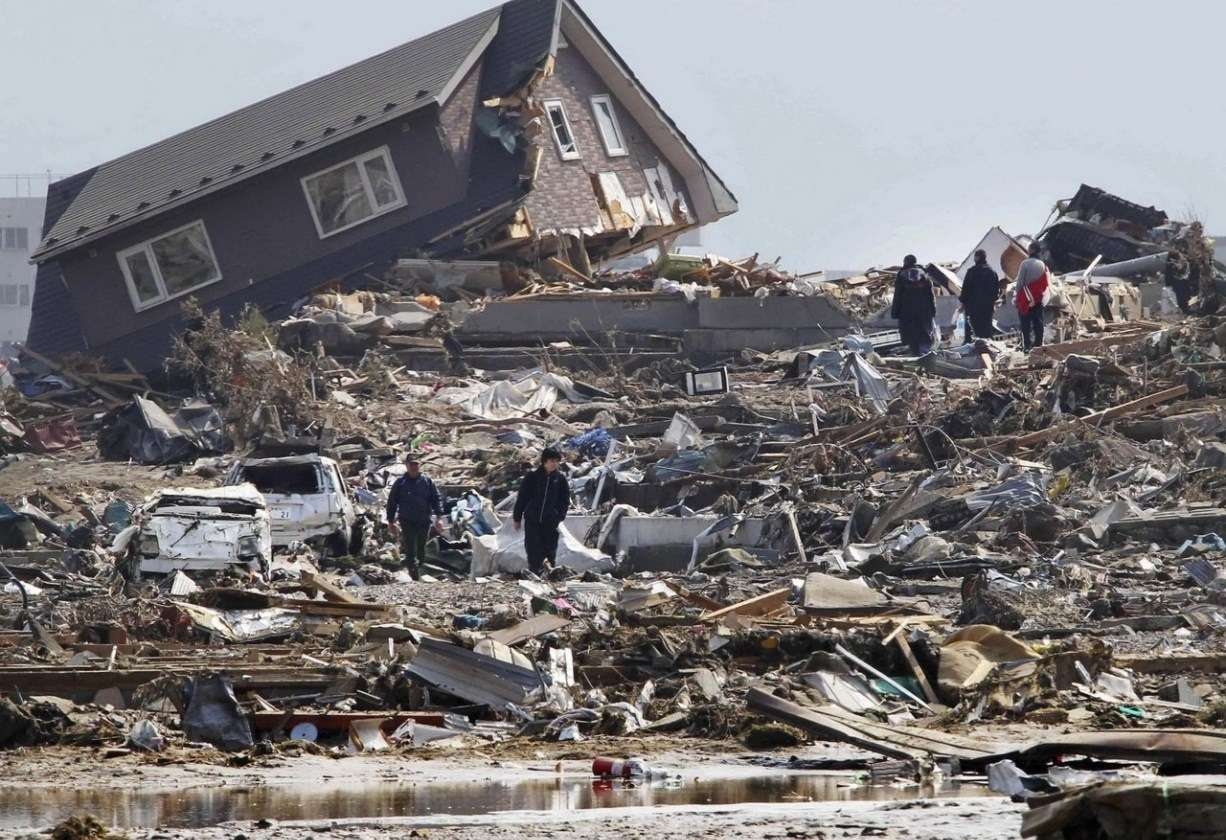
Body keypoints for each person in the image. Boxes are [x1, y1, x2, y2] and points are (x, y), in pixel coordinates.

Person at [512, 447, 570, 575]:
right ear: (544, 461)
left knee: (550, 549)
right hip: (532, 520)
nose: (554, 463)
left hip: (550, 521)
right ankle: (535, 574)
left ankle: (549, 575)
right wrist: (517, 518)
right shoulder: (533, 476)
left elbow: (564, 500)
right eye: (551, 460)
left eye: (556, 461)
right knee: (533, 549)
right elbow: (522, 497)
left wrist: (559, 516)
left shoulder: (559, 479)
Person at [386, 455, 442, 579]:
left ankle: (420, 568)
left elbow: (436, 499)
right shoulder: (400, 483)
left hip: (424, 520)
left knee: (421, 546)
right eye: (411, 464)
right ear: (406, 466)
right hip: (407, 520)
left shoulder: (427, 482)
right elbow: (392, 502)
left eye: (416, 464)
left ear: (419, 466)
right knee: (410, 547)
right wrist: (390, 521)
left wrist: (439, 517)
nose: (414, 467)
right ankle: (413, 574)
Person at [891, 255, 936, 355]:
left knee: (911, 337)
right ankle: (925, 356)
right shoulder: (924, 276)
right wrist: (933, 310)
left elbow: (897, 295)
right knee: (924, 335)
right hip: (924, 311)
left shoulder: (901, 276)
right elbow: (931, 295)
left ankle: (916, 356)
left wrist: (895, 312)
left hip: (907, 312)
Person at [1015, 242, 1050, 351]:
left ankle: (1027, 346)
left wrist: (1018, 296)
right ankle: (1038, 345)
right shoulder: (1043, 264)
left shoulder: (1025, 263)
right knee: (1038, 323)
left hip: (1025, 298)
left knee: (1025, 324)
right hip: (1038, 299)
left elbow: (1020, 282)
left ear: (1031, 250)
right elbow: (1046, 283)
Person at [960, 249, 1000, 343]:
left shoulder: (971, 271)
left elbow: (965, 289)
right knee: (986, 328)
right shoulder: (992, 272)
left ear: (977, 257)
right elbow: (995, 290)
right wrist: (993, 302)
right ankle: (987, 346)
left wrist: (963, 302)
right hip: (987, 306)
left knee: (972, 329)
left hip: (972, 306)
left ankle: (971, 346)